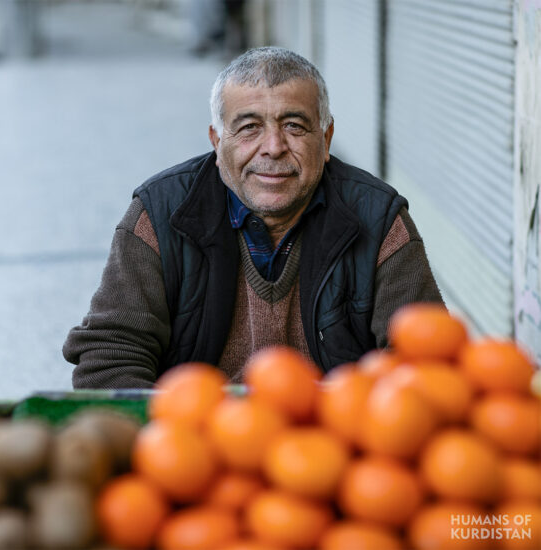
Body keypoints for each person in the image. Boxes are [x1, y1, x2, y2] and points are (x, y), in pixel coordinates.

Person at [63, 46, 443, 388]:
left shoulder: (379, 219)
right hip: (195, 442)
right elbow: (110, 358)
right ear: (216, 142)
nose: (274, 148)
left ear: (325, 141)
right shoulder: (160, 213)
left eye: (294, 126)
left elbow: (426, 363)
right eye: (249, 128)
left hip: (335, 442)